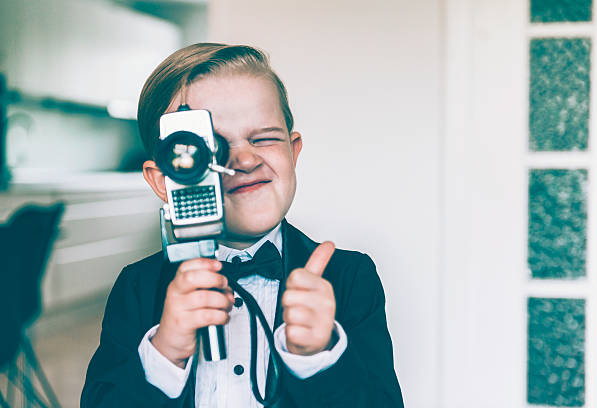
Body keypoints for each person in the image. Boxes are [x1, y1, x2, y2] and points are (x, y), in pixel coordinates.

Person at [81, 43, 403, 408]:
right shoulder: (137, 287)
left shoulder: (348, 277)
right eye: (210, 148)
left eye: (263, 138)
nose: (245, 159)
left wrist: (316, 357)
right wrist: (166, 353)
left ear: (293, 152)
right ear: (163, 181)